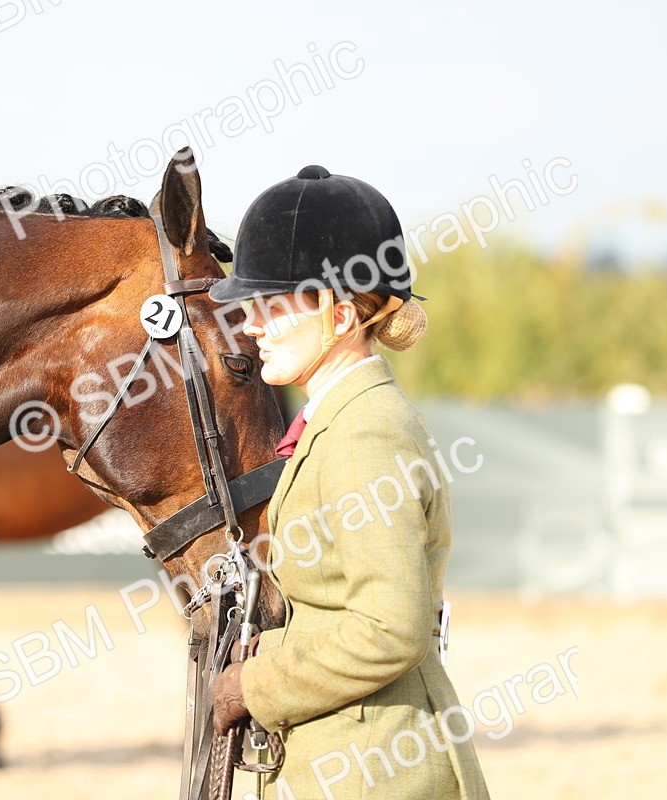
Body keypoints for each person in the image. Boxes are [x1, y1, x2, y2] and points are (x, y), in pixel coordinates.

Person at [208, 165, 490, 799]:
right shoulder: (339, 419)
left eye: (272, 306)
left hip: (373, 770)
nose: (251, 325)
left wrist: (254, 686)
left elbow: (391, 626)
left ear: (339, 317)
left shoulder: (367, 433)